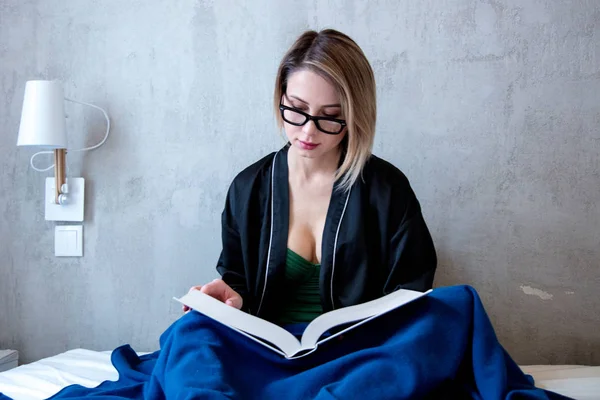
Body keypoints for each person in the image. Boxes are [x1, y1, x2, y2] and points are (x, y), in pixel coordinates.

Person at [183, 28, 437, 326]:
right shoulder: (248, 188)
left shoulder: (387, 190)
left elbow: (411, 292)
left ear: (355, 115)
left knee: (458, 310)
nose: (307, 131)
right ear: (281, 96)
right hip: (267, 352)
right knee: (189, 337)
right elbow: (238, 281)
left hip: (360, 354)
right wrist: (230, 299)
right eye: (297, 109)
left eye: (329, 116)